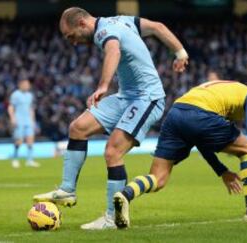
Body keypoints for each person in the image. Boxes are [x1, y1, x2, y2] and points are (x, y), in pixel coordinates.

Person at [33, 7, 188, 230]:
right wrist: (180, 53)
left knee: (112, 151)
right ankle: (67, 190)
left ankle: (111, 219)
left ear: (82, 24)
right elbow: (157, 27)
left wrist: (103, 86)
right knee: (78, 128)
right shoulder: (122, 20)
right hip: (127, 96)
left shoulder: (104, 32)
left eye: (72, 37)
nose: (74, 43)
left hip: (147, 98)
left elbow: (113, 51)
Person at [113, 80, 247, 229]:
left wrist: (222, 171)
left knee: (158, 178)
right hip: (201, 115)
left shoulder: (223, 89)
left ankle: (126, 194)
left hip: (175, 114)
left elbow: (202, 142)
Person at [8, 79, 39, 168]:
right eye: (25, 84)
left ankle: (29, 160)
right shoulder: (15, 94)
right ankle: (15, 159)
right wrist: (12, 118)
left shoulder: (30, 95)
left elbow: (31, 109)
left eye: (28, 85)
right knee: (19, 141)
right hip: (19, 120)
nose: (27, 86)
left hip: (28, 121)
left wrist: (33, 121)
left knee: (30, 140)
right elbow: (10, 107)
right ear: (20, 85)